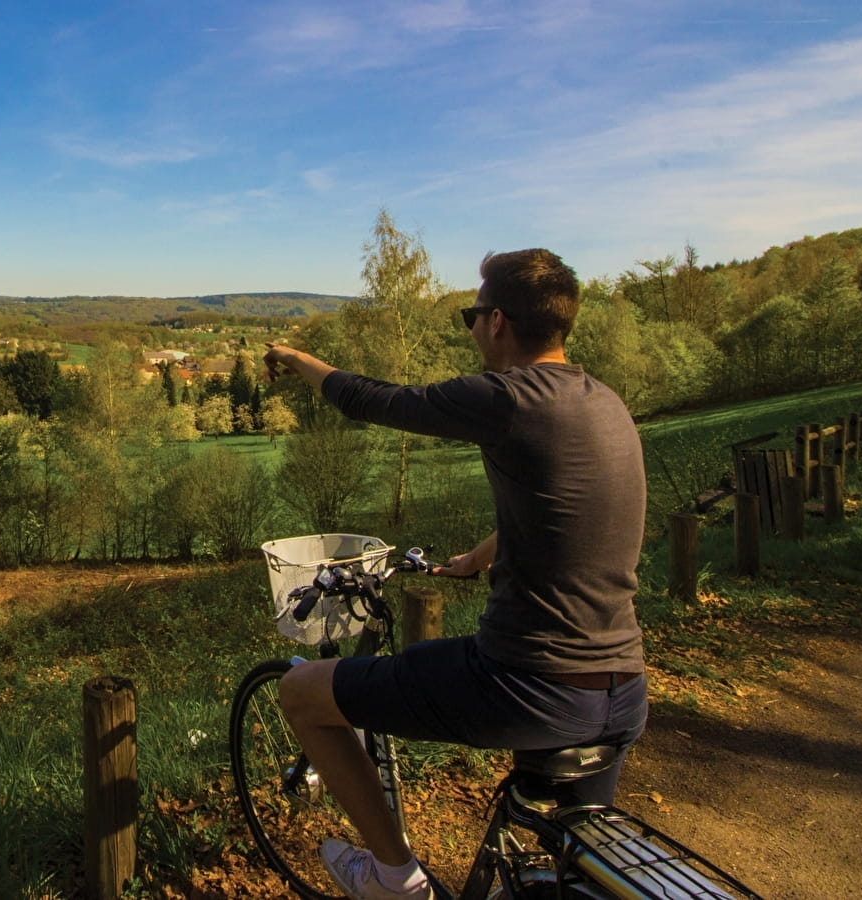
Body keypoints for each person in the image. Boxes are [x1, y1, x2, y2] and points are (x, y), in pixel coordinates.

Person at [261, 248, 648, 900]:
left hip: (529, 683)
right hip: (621, 691)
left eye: (471, 314)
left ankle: (394, 878)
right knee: (582, 878)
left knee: (303, 695)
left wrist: (299, 360)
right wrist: (481, 555)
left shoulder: (507, 398)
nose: (470, 327)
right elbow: (571, 507)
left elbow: (370, 399)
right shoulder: (603, 402)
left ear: (497, 321)